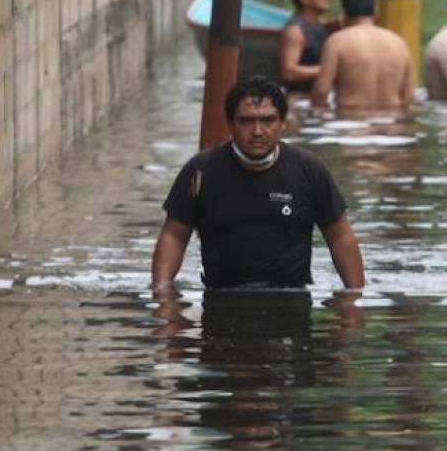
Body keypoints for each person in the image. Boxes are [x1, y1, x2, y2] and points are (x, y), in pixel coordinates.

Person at [150, 76, 365, 297]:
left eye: (268, 120)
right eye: (246, 121)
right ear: (230, 123)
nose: (258, 131)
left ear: (282, 123)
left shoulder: (309, 170)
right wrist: (162, 292)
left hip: (291, 302)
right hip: (221, 301)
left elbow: (340, 236)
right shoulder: (201, 171)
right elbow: (174, 235)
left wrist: (354, 297)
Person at [310, 0, 414, 111]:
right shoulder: (399, 43)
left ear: (343, 14)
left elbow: (321, 92)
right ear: (375, 11)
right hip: (391, 124)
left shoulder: (337, 42)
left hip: (351, 123)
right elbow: (408, 97)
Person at [279, 0, 335, 92]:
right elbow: (288, 72)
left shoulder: (319, 25)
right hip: (300, 98)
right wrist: (329, 69)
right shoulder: (295, 31)